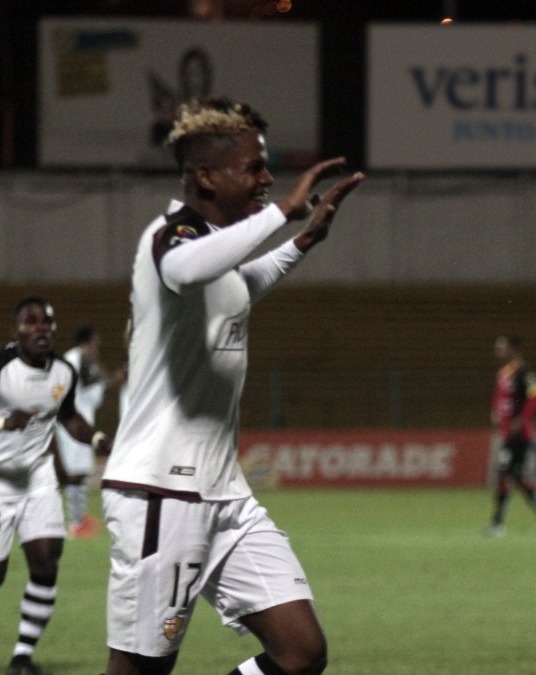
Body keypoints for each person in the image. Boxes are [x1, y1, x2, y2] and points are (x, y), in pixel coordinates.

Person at [101, 97, 364, 675]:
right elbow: (184, 270)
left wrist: (301, 241)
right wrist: (282, 215)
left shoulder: (217, 254)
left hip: (225, 495)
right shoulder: (169, 238)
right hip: (159, 493)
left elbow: (239, 283)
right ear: (205, 175)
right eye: (254, 167)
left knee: (300, 652)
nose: (268, 179)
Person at [0, 296, 113, 675]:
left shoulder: (62, 373)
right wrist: (1, 424)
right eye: (31, 322)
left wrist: (97, 438)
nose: (41, 328)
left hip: (38, 478)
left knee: (46, 559)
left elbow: (69, 418)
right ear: (16, 331)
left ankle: (22, 657)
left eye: (47, 322)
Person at [54, 325, 126, 538]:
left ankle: (79, 518)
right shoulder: (82, 360)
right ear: (88, 342)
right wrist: (115, 380)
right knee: (76, 472)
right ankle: (76, 523)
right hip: (75, 421)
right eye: (96, 342)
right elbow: (95, 386)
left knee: (79, 471)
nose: (98, 346)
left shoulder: (73, 359)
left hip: (73, 419)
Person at [486, 334, 536, 537]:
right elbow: (500, 399)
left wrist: (522, 418)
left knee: (503, 472)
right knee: (516, 475)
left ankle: (497, 524)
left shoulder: (523, 373)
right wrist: (496, 412)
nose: (498, 351)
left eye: (502, 347)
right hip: (508, 432)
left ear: (514, 350)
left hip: (520, 434)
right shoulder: (504, 374)